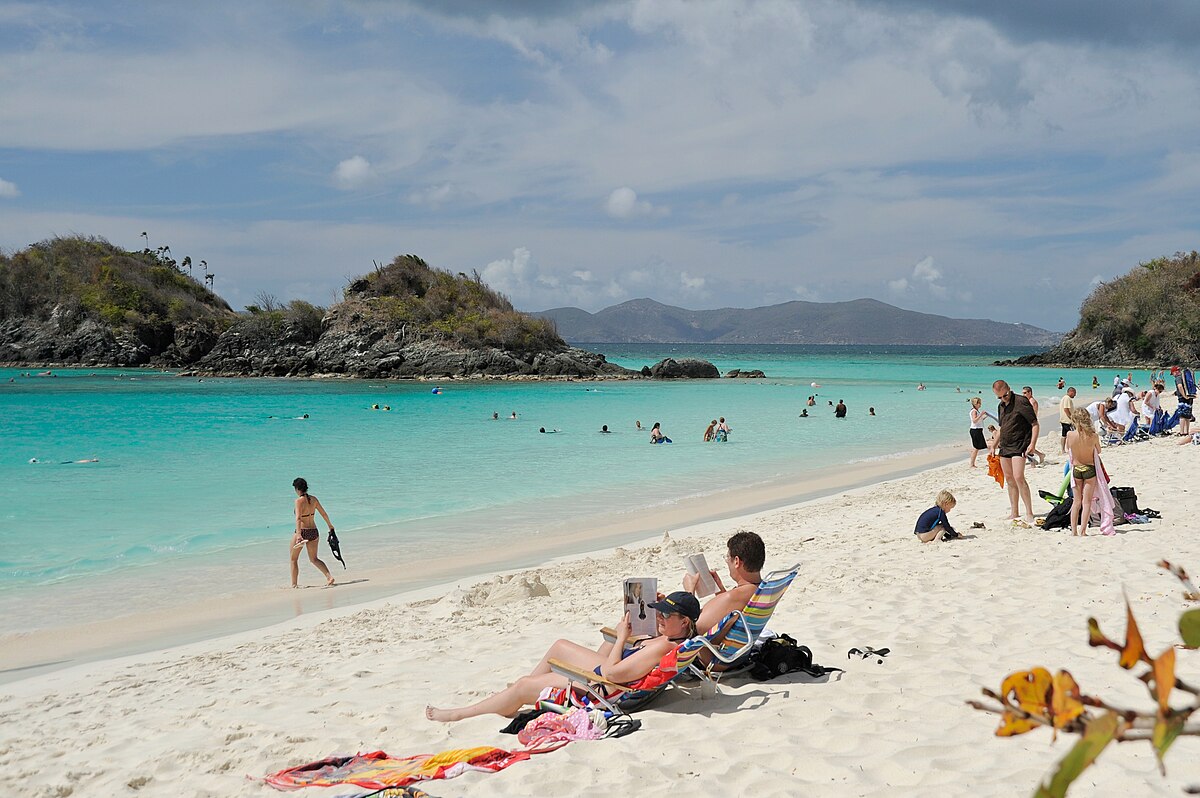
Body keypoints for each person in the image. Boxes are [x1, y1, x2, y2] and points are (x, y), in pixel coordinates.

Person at [425, 593, 701, 722]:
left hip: (602, 688)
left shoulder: (661, 648)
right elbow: (633, 661)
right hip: (614, 675)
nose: (660, 618)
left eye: (666, 614)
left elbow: (613, 675)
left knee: (523, 685)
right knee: (559, 645)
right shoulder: (674, 639)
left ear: (685, 622)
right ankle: (510, 699)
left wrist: (620, 638)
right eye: (660, 612)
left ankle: (459, 714)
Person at [681, 531, 766, 633]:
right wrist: (720, 589)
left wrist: (689, 592)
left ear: (737, 562)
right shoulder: (763, 589)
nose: (726, 561)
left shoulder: (733, 597)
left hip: (709, 647)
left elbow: (691, 629)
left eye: (728, 557)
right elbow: (730, 612)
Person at [992, 380, 1040, 525]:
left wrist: (1032, 443)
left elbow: (1035, 424)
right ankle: (1014, 512)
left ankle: (1029, 512)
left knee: (1019, 477)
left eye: (1004, 396)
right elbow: (1002, 427)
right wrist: (993, 445)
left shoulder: (1021, 401)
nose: (1002, 399)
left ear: (1009, 389)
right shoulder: (1001, 406)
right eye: (999, 397)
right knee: (1009, 479)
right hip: (1005, 446)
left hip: (1020, 444)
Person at [290, 477, 335, 588]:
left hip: (303, 532)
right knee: (314, 559)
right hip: (314, 532)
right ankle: (329, 577)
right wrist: (330, 526)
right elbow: (323, 514)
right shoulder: (314, 499)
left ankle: (294, 585)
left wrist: (299, 535)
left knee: (293, 559)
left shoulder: (298, 501)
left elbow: (298, 518)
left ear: (297, 489)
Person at [1066, 408, 1101, 537]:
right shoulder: (1093, 435)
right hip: (1089, 468)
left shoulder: (1070, 435)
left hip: (1076, 469)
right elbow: (1099, 450)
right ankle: (1083, 531)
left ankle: (1074, 531)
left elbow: (1067, 448)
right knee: (1087, 502)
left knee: (1076, 502)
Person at [1020, 386, 1046, 464]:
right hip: (1026, 425)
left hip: (1030, 425)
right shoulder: (1027, 401)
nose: (1023, 395)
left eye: (1025, 393)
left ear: (1030, 393)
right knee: (1026, 444)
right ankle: (1040, 455)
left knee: (1028, 444)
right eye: (1023, 393)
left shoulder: (1032, 402)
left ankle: (1033, 461)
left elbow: (1033, 415)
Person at [968, 397, 993, 467]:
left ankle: (972, 464)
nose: (980, 405)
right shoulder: (974, 411)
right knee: (977, 448)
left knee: (977, 447)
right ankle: (972, 464)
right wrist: (981, 415)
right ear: (976, 404)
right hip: (975, 430)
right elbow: (974, 420)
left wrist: (986, 416)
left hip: (978, 430)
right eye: (979, 403)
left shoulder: (976, 411)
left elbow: (979, 420)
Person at [1058, 387, 1077, 454]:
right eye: (1074, 393)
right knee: (1071, 435)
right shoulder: (1067, 398)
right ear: (1071, 392)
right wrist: (1072, 418)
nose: (1075, 395)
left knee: (1064, 435)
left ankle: (1063, 450)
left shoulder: (1064, 398)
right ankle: (1071, 449)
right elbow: (1066, 409)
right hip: (1067, 420)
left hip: (1064, 420)